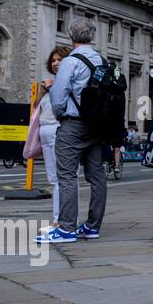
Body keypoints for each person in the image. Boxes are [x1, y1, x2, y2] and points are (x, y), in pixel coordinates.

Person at [37, 18, 108, 243]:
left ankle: (66, 228)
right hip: (97, 125)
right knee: (96, 176)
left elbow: (58, 95)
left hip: (73, 124)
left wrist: (60, 115)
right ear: (92, 36)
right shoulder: (102, 60)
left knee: (66, 175)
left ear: (70, 34)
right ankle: (92, 226)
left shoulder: (70, 61)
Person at [34, 46, 72, 219]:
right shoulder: (50, 83)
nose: (55, 63)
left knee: (63, 179)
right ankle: (59, 218)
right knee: (53, 179)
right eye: (53, 60)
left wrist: (51, 88)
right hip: (45, 132)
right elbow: (37, 108)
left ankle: (63, 220)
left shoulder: (69, 82)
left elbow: (62, 106)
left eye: (59, 59)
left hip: (59, 131)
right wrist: (42, 91)